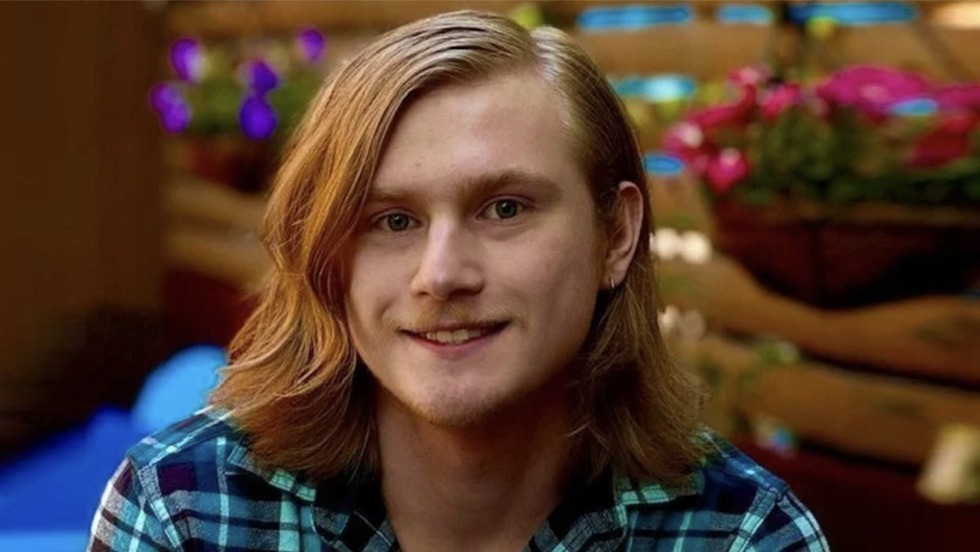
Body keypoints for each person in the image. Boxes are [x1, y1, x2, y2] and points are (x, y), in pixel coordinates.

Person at [89, 11, 827, 552]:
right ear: (329, 256)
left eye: (505, 208)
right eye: (391, 220)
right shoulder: (187, 510)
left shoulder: (742, 535)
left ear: (617, 235)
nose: (441, 275)